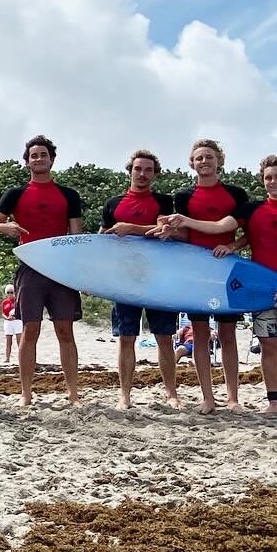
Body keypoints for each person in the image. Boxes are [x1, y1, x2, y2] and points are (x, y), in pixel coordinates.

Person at [161, 154, 277, 420]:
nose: (273, 182)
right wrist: (195, 225)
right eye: (268, 177)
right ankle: (273, 402)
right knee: (268, 346)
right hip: (260, 289)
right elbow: (220, 226)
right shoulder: (252, 209)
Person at [0, 134, 85, 407]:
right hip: (30, 268)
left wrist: (81, 273)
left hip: (60, 270)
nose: (39, 159)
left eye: (43, 154)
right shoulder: (15, 194)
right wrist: (6, 227)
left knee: (66, 332)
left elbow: (76, 237)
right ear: (27, 162)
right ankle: (26, 394)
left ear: (52, 159)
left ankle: (73, 393)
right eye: (34, 155)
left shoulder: (68, 195)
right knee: (30, 332)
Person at [162, 138, 251, 414]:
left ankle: (233, 398)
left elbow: (241, 230)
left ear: (219, 161)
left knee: (227, 334)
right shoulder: (183, 196)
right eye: (199, 158)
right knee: (199, 334)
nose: (204, 162)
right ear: (192, 163)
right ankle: (208, 398)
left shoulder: (236, 194)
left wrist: (232, 246)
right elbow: (185, 235)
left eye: (209, 157)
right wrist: (165, 231)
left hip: (225, 269)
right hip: (194, 271)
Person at [99, 149, 182, 410]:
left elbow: (162, 230)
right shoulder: (113, 204)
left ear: (155, 174)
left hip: (159, 277)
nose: (142, 174)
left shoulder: (164, 202)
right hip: (124, 279)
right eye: (138, 169)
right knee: (126, 338)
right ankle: (124, 395)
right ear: (130, 170)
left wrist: (130, 229)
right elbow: (103, 239)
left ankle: (171, 393)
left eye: (148, 170)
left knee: (164, 337)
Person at [0, 284, 20, 363]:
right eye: (8, 292)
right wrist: (6, 317)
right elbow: (3, 312)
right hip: (8, 322)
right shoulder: (5, 302)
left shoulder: (17, 301)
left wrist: (15, 317)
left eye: (11, 292)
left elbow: (21, 311)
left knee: (19, 341)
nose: (10, 294)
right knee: (8, 341)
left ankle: (21, 358)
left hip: (17, 322)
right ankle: (7, 358)